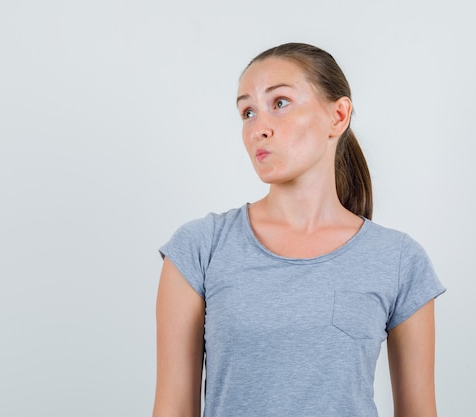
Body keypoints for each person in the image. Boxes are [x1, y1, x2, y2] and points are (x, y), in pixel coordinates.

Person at [152, 42, 445, 417]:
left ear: (338, 116)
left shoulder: (400, 260)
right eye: (247, 112)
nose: (259, 128)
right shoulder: (199, 249)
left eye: (280, 103)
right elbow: (173, 409)